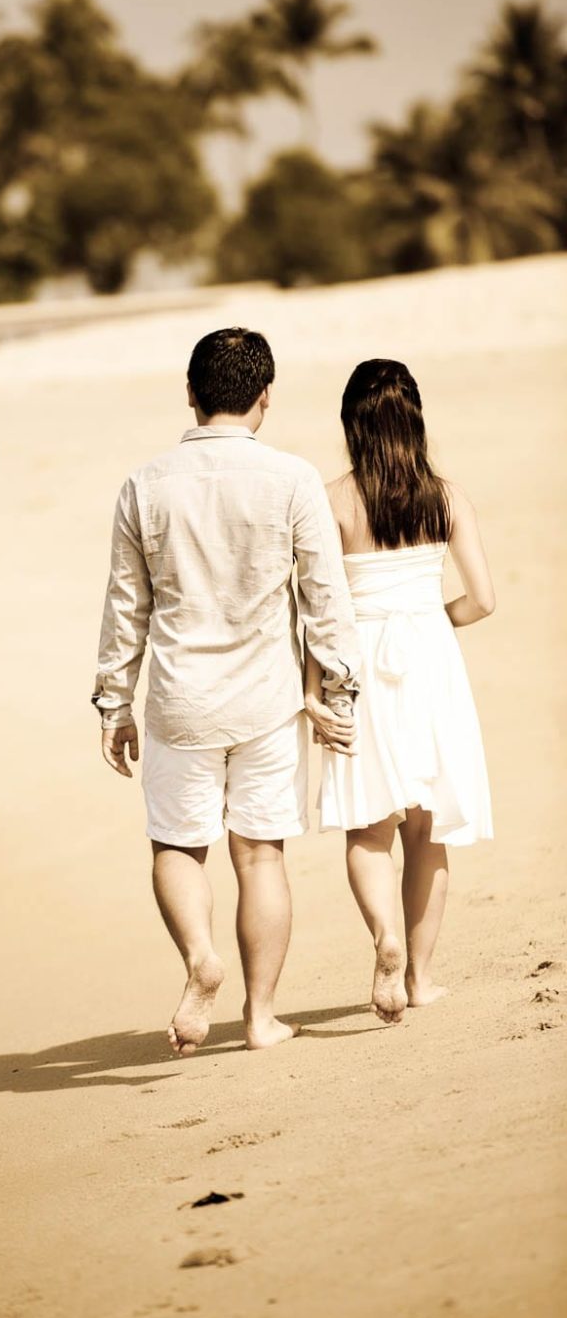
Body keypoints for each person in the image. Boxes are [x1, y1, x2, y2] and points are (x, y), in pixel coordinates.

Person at [92, 328, 360, 1054]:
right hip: (266, 698)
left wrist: (113, 702)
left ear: (189, 390)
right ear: (264, 397)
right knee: (259, 855)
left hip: (180, 699)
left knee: (178, 846)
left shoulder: (145, 484)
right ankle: (259, 1015)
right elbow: (322, 594)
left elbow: (127, 607)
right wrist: (340, 685)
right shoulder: (292, 479)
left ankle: (198, 959)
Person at [305, 359, 494, 1025]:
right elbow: (483, 599)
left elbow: (315, 606)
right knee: (427, 827)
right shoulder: (445, 496)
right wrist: (430, 622)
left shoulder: (331, 500)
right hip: (430, 659)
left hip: (358, 661)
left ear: (350, 424)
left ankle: (383, 934)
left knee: (367, 825)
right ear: (415, 417)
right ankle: (418, 976)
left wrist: (314, 686)